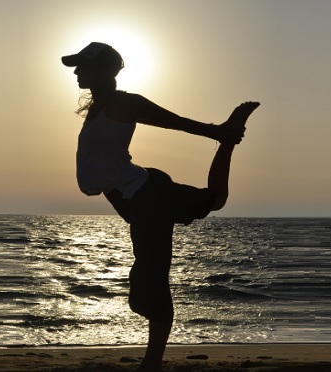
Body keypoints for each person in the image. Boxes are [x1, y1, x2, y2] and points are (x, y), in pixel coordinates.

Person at [61, 42, 259, 372]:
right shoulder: (97, 108)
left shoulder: (124, 103)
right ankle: (226, 139)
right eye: (76, 66)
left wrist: (215, 131)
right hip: (137, 198)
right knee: (214, 201)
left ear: (104, 70)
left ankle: (152, 363)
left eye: (83, 65)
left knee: (152, 282)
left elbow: (174, 122)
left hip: (146, 197)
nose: (77, 71)